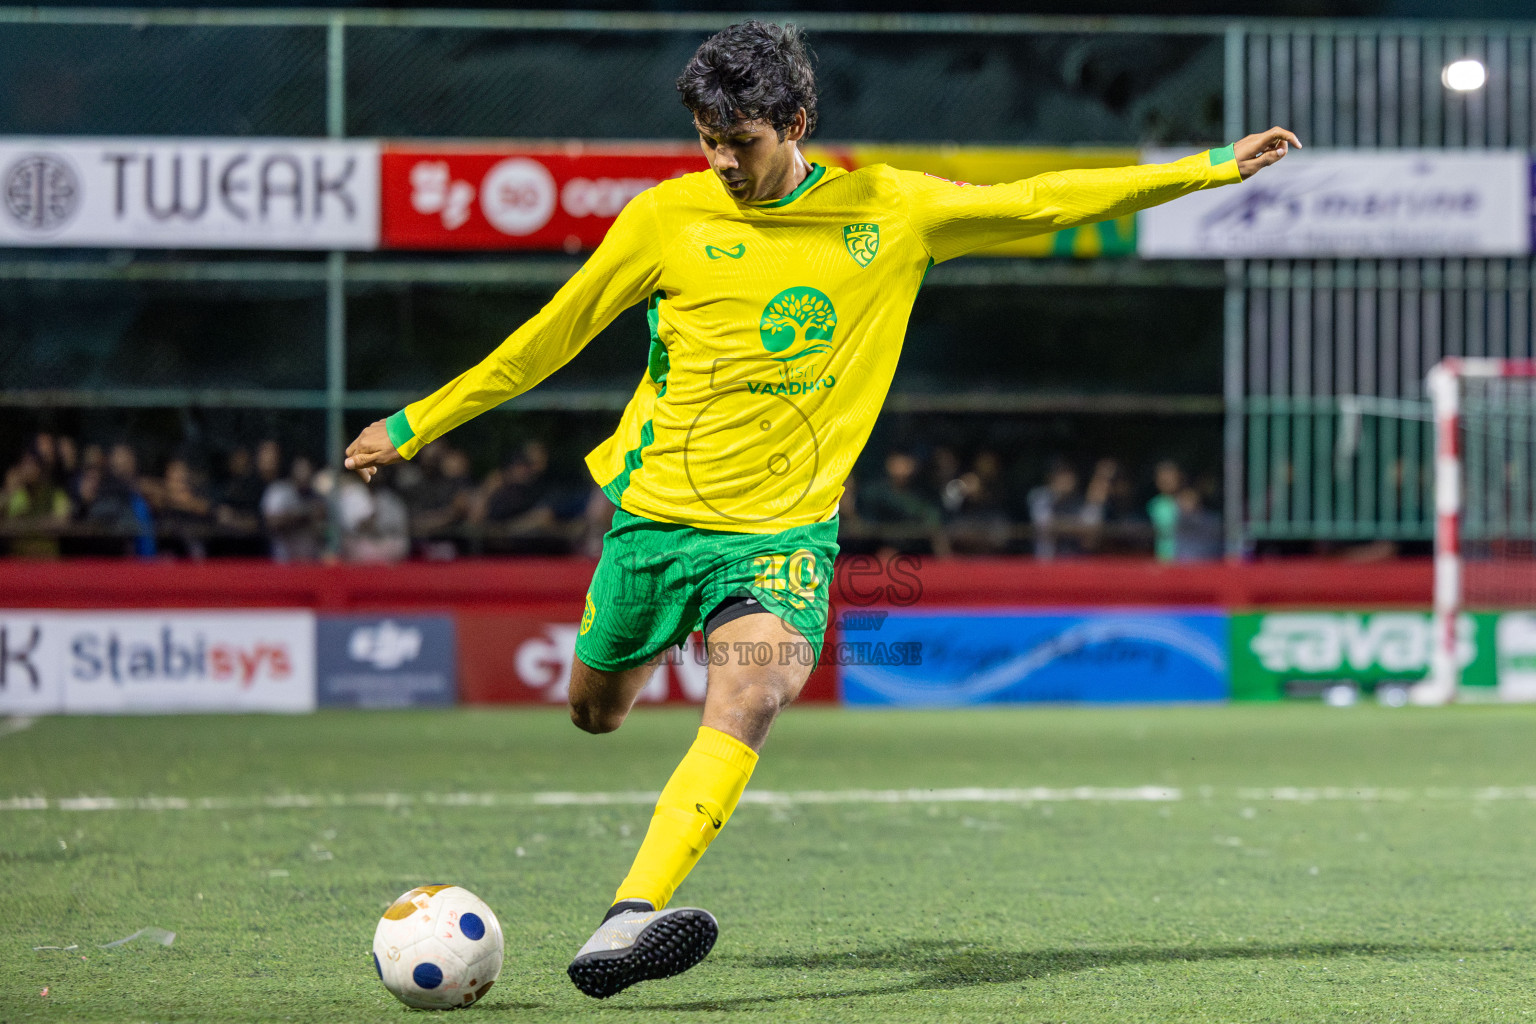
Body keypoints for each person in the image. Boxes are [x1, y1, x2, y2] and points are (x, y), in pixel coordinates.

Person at [342, 19, 1298, 999]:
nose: (720, 161)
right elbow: (550, 337)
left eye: (740, 141)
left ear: (796, 122)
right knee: (595, 713)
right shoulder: (665, 220)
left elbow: (1046, 200)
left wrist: (1213, 166)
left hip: (785, 535)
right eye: (705, 139)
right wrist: (414, 423)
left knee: (751, 692)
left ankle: (627, 916)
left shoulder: (890, 211)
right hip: (656, 523)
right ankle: (633, 705)